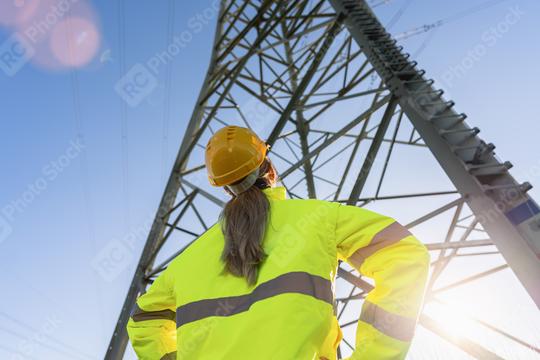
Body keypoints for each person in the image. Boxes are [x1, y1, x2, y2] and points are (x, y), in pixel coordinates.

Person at [127, 126, 430, 360]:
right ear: (268, 168)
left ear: (225, 189)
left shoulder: (187, 261)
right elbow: (404, 254)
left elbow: (142, 321)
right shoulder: (319, 217)